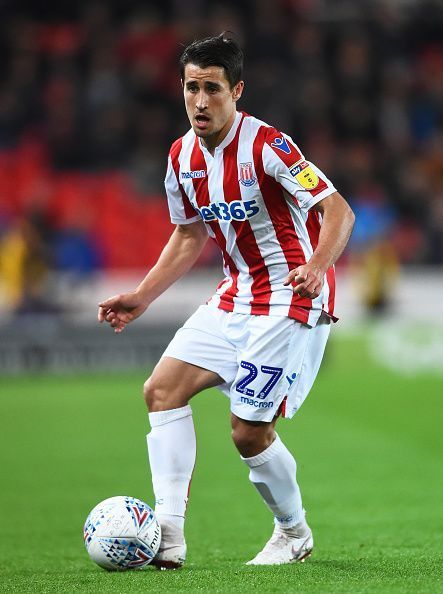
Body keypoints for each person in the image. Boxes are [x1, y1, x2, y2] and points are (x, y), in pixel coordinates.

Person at [98, 33, 355, 568]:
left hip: (290, 296)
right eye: (191, 87)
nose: (199, 101)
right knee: (161, 391)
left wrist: (315, 267)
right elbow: (188, 235)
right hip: (235, 294)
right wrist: (142, 297)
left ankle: (294, 532)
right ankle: (167, 536)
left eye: (212, 88)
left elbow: (338, 212)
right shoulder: (181, 156)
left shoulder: (270, 146)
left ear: (236, 90)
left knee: (248, 433)